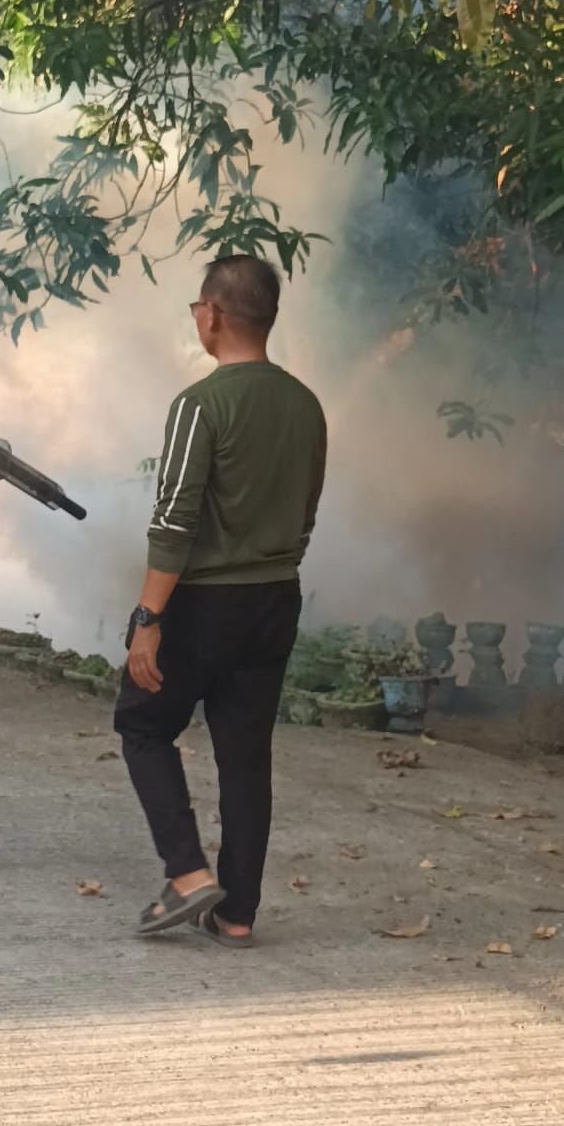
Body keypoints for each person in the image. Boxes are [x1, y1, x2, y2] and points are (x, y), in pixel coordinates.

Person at [114, 254, 327, 946]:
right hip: (275, 598)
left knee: (143, 724)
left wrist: (148, 618)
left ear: (212, 315)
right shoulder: (305, 405)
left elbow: (174, 519)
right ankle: (237, 914)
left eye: (197, 309)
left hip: (204, 603)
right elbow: (307, 509)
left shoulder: (199, 405)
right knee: (245, 753)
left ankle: (186, 873)